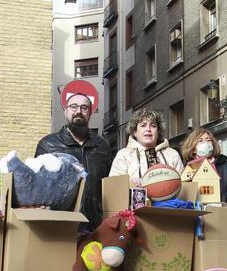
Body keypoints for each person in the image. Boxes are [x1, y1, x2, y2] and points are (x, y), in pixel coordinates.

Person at [35, 93, 113, 231]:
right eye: (74, 106)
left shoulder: (102, 146)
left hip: (95, 225)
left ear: (90, 112)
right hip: (60, 224)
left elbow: (110, 184)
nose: (79, 111)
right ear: (66, 111)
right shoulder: (48, 144)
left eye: (84, 108)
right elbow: (38, 186)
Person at [110, 108, 183, 184]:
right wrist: (129, 184)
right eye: (143, 125)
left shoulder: (172, 155)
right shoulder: (123, 155)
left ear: (158, 131)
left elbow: (184, 185)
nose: (148, 129)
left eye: (153, 126)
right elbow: (113, 186)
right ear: (135, 131)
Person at [179, 128, 227, 205]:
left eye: (208, 140)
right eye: (200, 141)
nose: (205, 143)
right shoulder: (188, 170)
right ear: (193, 149)